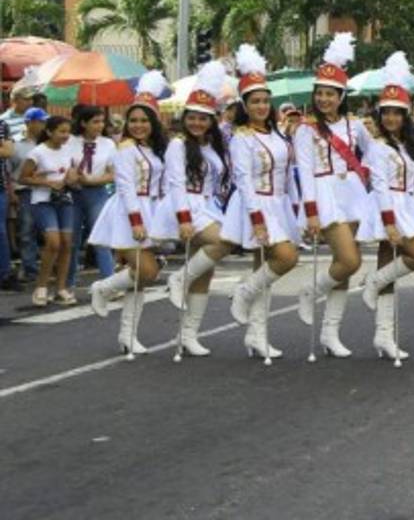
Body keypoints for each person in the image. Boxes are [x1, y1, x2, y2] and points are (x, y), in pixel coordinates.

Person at [294, 33, 372, 358]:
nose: (324, 99)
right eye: (320, 93)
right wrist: (311, 213)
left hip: (352, 194)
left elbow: (373, 153)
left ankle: (330, 333)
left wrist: (366, 172)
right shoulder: (305, 128)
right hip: (324, 195)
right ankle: (310, 291)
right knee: (350, 260)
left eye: (330, 94)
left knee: (344, 264)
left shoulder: (355, 125)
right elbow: (304, 172)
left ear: (341, 97)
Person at [223, 45, 301, 359]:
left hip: (279, 205)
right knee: (286, 258)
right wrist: (256, 219)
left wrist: (296, 208)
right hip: (256, 205)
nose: (261, 106)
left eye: (265, 101)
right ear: (245, 105)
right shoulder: (241, 137)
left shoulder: (277, 134)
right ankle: (243, 292)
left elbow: (289, 172)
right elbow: (243, 180)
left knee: (264, 268)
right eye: (255, 101)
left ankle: (257, 335)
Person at [357, 53, 414, 362]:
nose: (391, 118)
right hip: (387, 207)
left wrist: (411, 196)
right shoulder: (377, 147)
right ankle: (374, 284)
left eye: (396, 113)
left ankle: (383, 334)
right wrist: (390, 221)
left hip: (406, 206)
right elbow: (379, 185)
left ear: (405, 116)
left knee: (391, 265)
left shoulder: (409, 146)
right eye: (386, 112)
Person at [150, 62, 231, 357]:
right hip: (185, 206)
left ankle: (188, 334)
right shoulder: (178, 145)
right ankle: (178, 278)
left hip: (208, 206)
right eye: (192, 117)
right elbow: (175, 183)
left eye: (203, 118)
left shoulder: (213, 146)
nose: (197, 123)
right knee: (223, 242)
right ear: (185, 119)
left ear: (212, 121)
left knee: (205, 272)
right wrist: (183, 219)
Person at [87, 71, 170, 356]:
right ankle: (103, 288)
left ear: (154, 122)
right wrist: (136, 221)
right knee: (146, 271)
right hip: (127, 213)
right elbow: (124, 187)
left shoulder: (155, 149)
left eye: (144, 120)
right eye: (133, 120)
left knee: (141, 277)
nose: (138, 125)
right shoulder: (125, 148)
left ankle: (128, 335)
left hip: (152, 211)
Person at [20, 115, 79, 306]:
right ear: (49, 132)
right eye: (62, 131)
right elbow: (22, 178)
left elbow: (73, 174)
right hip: (42, 201)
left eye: (68, 132)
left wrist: (72, 178)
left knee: (67, 243)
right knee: (53, 242)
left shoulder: (69, 150)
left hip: (65, 200)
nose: (66, 135)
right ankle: (41, 287)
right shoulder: (37, 152)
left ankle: (61, 289)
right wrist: (46, 182)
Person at [66, 105, 116, 285]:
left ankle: (109, 281)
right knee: (72, 240)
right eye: (95, 122)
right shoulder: (70, 141)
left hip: (97, 192)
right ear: (83, 123)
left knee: (101, 238)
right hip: (73, 193)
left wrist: (91, 180)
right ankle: (68, 282)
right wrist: (72, 176)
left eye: (102, 122)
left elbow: (112, 174)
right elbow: (62, 165)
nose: (100, 125)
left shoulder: (108, 144)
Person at [10, 107, 47, 283]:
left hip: (47, 189)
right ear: (28, 122)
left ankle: (50, 267)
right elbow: (9, 170)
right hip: (24, 190)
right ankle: (30, 268)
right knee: (26, 231)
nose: (43, 125)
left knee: (49, 231)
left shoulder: (48, 142)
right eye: (40, 121)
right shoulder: (15, 143)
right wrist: (12, 192)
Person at [0, 112, 16, 291]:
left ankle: (4, 274)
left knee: (1, 232)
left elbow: (8, 151)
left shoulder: (2, 125)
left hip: (0, 186)